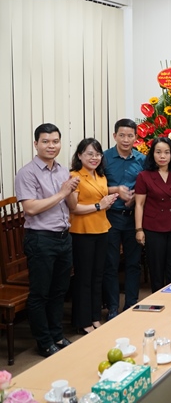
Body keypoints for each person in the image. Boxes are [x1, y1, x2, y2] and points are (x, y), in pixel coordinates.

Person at [15, 124, 79, 357]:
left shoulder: (62, 171)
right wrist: (62, 193)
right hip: (40, 239)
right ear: (36, 144)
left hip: (63, 237)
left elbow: (72, 206)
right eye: (45, 141)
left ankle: (56, 334)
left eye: (55, 141)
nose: (51, 146)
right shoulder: (27, 173)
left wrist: (71, 191)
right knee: (40, 294)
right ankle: (44, 342)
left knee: (60, 291)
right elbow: (31, 208)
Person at [68, 138, 119, 335]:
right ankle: (82, 321)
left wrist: (108, 201)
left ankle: (95, 316)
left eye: (97, 154)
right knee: (84, 277)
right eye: (89, 154)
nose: (94, 158)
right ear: (79, 155)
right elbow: (74, 207)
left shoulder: (101, 175)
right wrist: (99, 205)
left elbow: (101, 201)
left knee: (98, 276)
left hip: (102, 229)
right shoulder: (74, 176)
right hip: (82, 232)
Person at [103, 118, 145, 320]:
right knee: (110, 264)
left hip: (133, 218)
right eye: (122, 135)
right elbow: (95, 187)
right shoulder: (104, 158)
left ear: (136, 137)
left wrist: (137, 197)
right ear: (114, 136)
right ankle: (112, 307)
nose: (126, 140)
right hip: (110, 217)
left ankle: (131, 304)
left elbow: (147, 186)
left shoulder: (142, 160)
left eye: (130, 136)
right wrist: (116, 190)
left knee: (133, 263)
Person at [135, 137, 171, 293]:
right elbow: (139, 204)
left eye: (166, 152)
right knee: (156, 269)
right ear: (153, 154)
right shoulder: (144, 176)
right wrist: (139, 229)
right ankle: (157, 301)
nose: (162, 156)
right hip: (153, 227)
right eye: (158, 152)